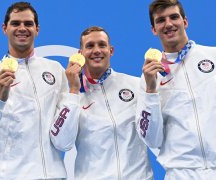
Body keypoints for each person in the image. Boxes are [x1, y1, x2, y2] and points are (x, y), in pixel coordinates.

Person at [0, 2, 68, 179]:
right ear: (4, 28)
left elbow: (66, 132)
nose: (22, 28)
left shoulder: (55, 70)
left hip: (52, 175)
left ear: (37, 29)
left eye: (28, 24)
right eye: (15, 23)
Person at [50, 26, 153, 180]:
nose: (96, 50)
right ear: (80, 54)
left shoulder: (136, 85)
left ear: (111, 50)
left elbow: (153, 135)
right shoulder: (70, 96)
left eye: (102, 45)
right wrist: (73, 91)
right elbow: (62, 143)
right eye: (90, 46)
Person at [136, 0, 216, 179]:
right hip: (181, 174)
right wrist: (150, 89)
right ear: (154, 29)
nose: (169, 24)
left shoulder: (213, 56)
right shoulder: (150, 77)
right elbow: (151, 140)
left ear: (185, 22)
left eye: (174, 17)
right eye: (161, 20)